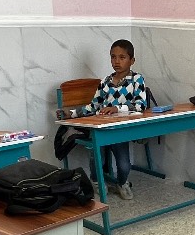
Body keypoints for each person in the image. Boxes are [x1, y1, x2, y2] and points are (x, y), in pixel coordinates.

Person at [58, 39, 149, 200]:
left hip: (119, 131)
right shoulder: (105, 82)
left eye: (122, 57)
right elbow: (93, 107)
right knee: (96, 157)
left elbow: (141, 105)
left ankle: (122, 182)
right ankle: (96, 181)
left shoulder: (137, 80)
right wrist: (71, 114)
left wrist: (117, 109)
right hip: (101, 128)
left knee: (124, 164)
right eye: (113, 57)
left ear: (132, 60)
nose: (117, 61)